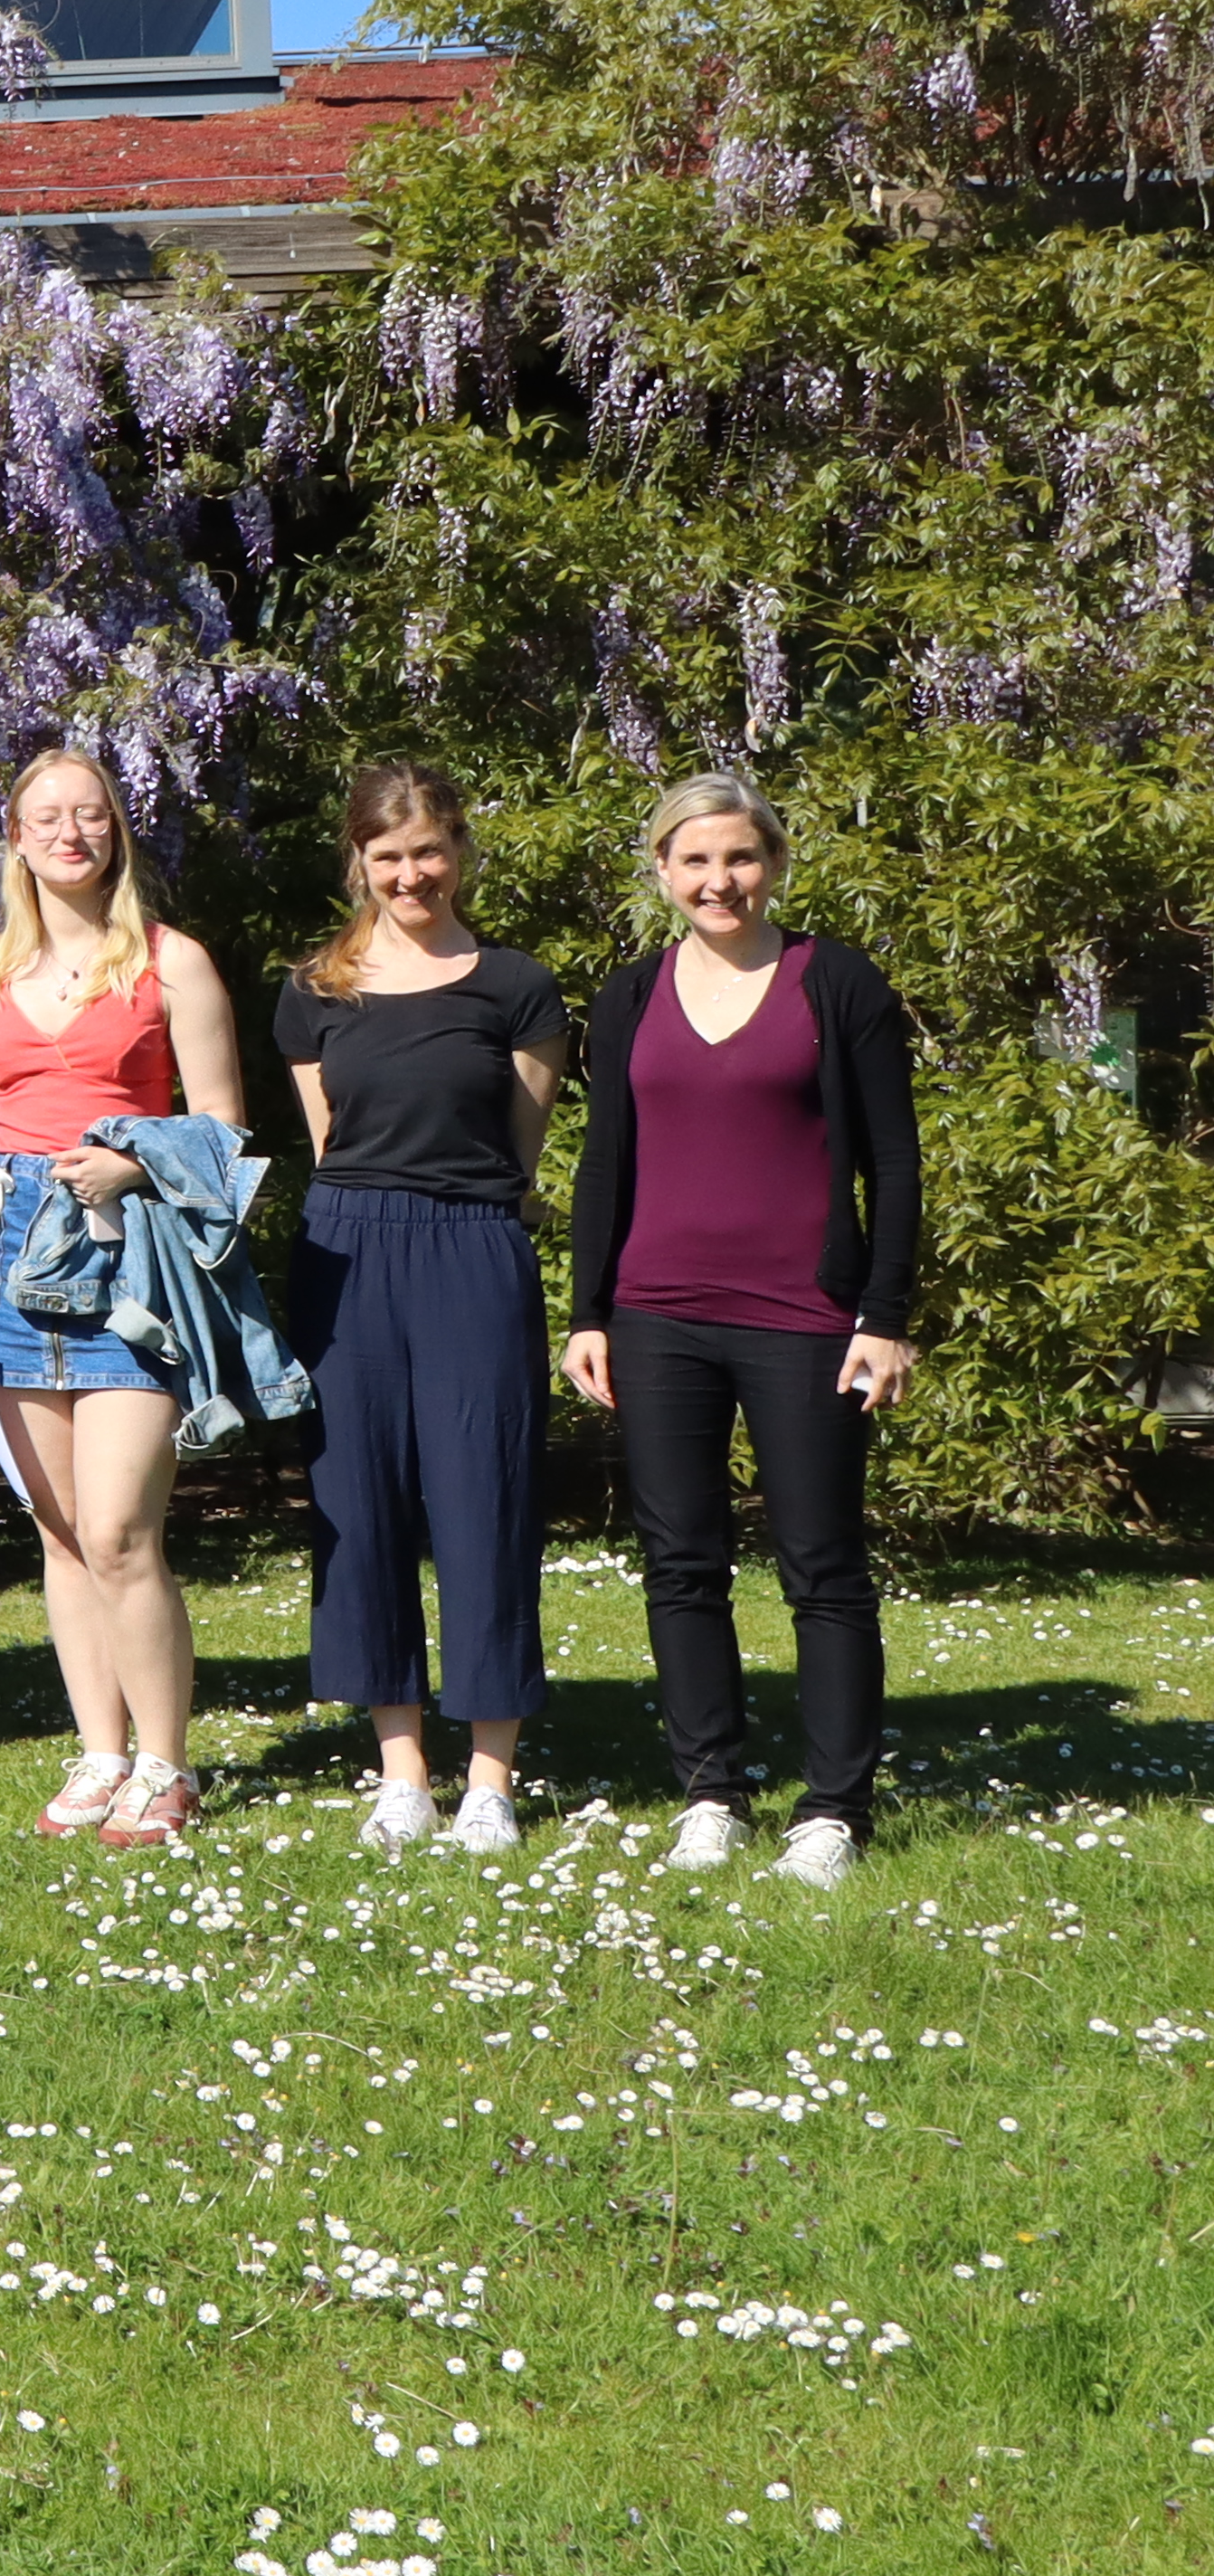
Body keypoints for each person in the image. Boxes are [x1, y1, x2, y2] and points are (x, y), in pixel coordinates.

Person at [560, 770, 921, 1890]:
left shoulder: (837, 981)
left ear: (773, 862)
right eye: (696, 860)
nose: (721, 880)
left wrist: (887, 1316)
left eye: (742, 857)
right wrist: (588, 1312)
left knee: (823, 1566)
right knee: (681, 1565)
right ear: (663, 873)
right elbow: (605, 1163)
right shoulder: (629, 995)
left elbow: (895, 1163)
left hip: (807, 1319)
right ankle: (710, 1792)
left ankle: (832, 1810)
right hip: (659, 1317)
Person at [0, 749, 257, 1847]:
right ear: (14, 835)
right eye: (47, 816)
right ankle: (101, 1754)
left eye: (90, 815)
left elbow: (227, 1138)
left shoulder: (169, 961)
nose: (70, 833)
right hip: (3, 1252)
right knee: (57, 1529)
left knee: (118, 1530)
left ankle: (166, 1763)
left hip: (128, 1254)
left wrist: (138, 1168)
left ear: (117, 831)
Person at [275, 761, 568, 1856]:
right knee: (360, 1505)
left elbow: (517, 1147)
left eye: (430, 851)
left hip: (472, 1248)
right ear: (360, 861)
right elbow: (327, 1144)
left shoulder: (518, 986)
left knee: (484, 1496)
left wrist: (465, 1213)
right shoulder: (315, 991)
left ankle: (490, 1777)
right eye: (389, 856)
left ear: (460, 851)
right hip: (346, 1249)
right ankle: (402, 1769)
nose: (412, 874)